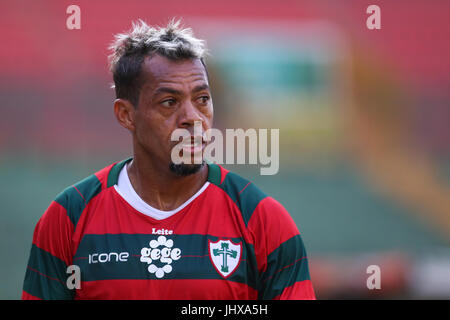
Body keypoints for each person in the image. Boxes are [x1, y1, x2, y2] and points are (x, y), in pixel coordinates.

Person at [22, 19, 315, 300]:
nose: (193, 119)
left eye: (202, 99)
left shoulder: (263, 220)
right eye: (169, 102)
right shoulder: (69, 217)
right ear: (126, 115)